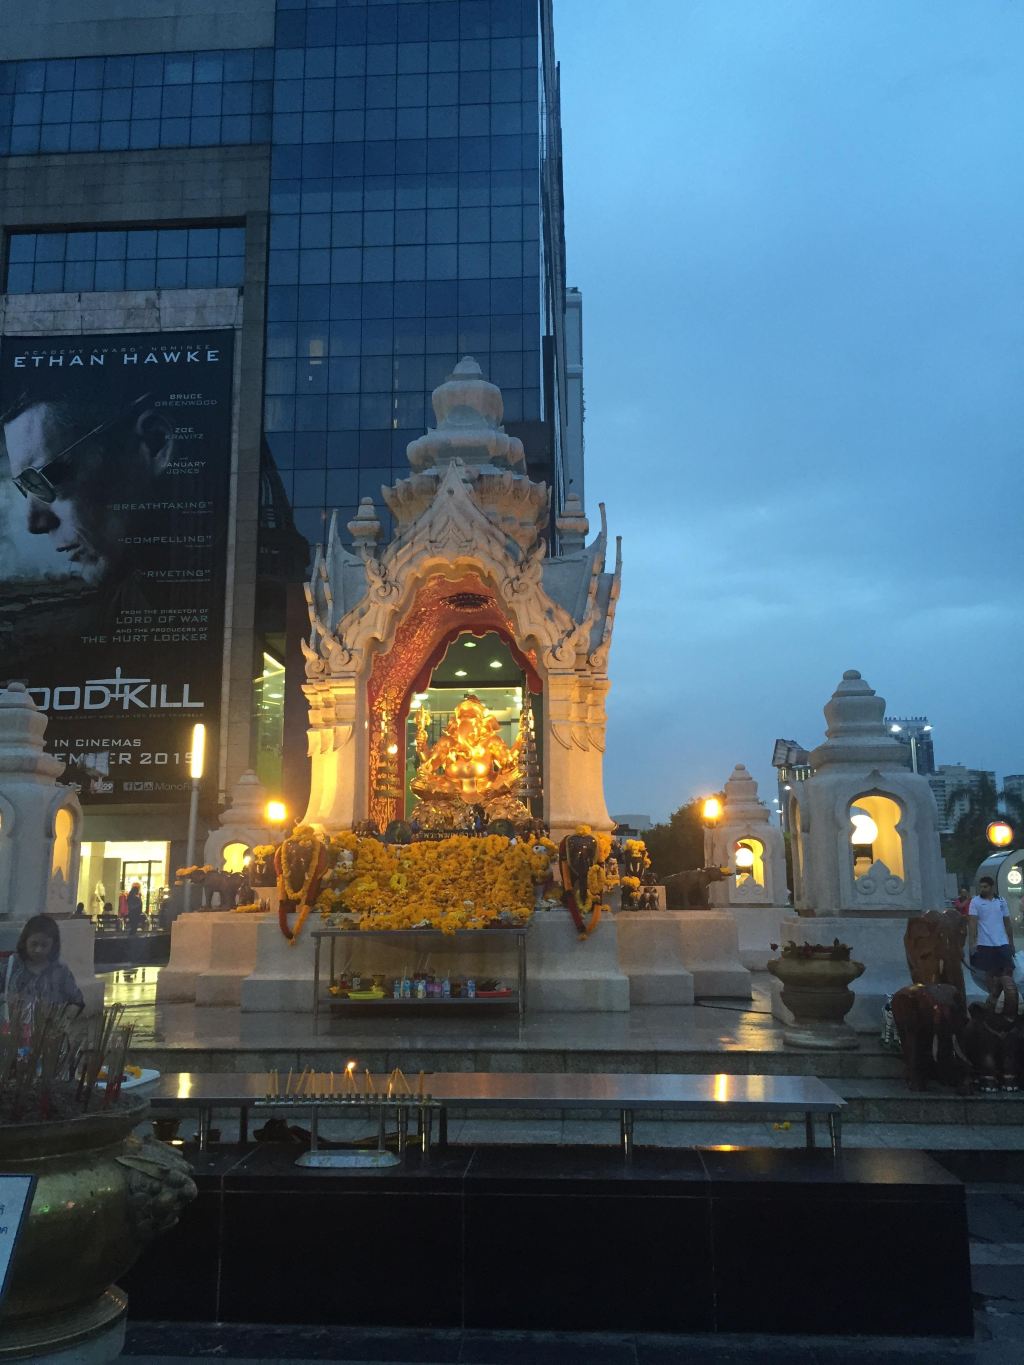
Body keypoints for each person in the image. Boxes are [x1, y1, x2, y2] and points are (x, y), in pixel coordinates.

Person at [3, 914, 85, 1020]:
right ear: (25, 942)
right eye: (34, 944)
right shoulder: (10, 966)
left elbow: (77, 1002)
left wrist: (63, 1019)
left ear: (53, 945)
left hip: (49, 1032)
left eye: (44, 945)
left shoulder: (60, 970)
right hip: (14, 1032)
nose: (38, 950)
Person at [968, 876, 1017, 1009]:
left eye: (985, 887)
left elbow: (1007, 923)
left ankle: (1006, 995)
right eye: (981, 887)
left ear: (992, 887)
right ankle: (993, 998)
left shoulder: (1001, 901)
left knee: (1008, 969)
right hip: (985, 943)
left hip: (1002, 942)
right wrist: (972, 942)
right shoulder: (975, 902)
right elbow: (972, 922)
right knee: (989, 972)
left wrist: (1011, 942)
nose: (982, 889)